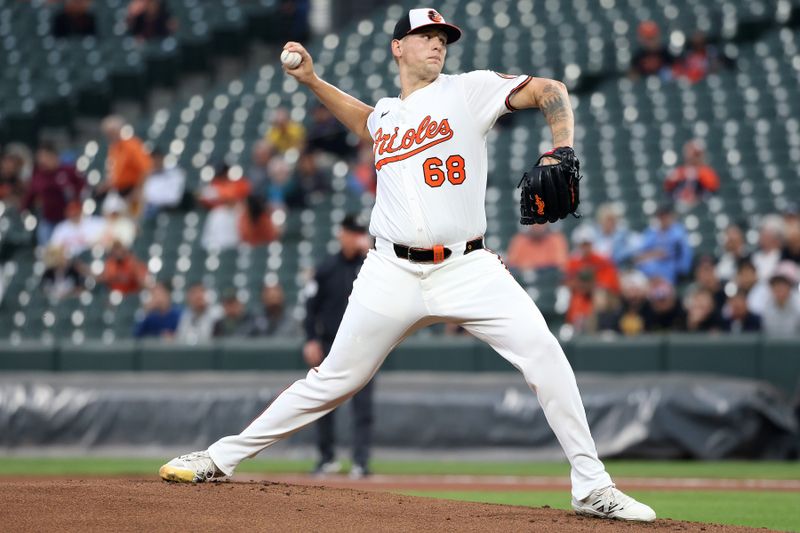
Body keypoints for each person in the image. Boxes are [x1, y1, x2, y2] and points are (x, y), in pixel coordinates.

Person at [159, 9, 655, 522]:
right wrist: (311, 81)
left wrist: (562, 145)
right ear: (398, 47)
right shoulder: (387, 117)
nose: (437, 45)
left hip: (467, 265)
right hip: (389, 270)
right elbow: (365, 120)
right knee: (332, 379)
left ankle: (592, 485)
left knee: (545, 354)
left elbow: (550, 89)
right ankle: (220, 457)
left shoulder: (469, 90)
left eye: (442, 38)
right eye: (425, 36)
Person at [303, 215, 373, 478]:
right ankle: (326, 458)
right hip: (330, 342)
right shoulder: (326, 268)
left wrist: (371, 254)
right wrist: (311, 339)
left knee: (363, 407)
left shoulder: (371, 265)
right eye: (351, 232)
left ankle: (361, 462)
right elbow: (310, 308)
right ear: (341, 234)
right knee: (323, 402)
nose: (356, 237)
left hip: (364, 344)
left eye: (359, 232)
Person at [21, 142, 85, 246]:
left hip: (68, 221)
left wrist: (77, 204)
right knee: (47, 252)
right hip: (48, 221)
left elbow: (83, 187)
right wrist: (23, 209)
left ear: (54, 156)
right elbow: (30, 196)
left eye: (45, 157)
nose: (42, 161)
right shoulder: (38, 176)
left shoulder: (68, 171)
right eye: (40, 158)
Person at [98, 116, 152, 211]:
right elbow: (117, 172)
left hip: (134, 191)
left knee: (134, 222)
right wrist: (108, 185)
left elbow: (146, 169)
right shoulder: (113, 148)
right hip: (120, 193)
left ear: (119, 130)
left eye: (112, 131)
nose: (110, 135)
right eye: (107, 133)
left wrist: (138, 190)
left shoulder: (132, 145)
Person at [634, 201, 693, 285]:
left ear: (671, 216)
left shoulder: (678, 232)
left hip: (672, 272)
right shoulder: (651, 232)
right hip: (651, 273)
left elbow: (678, 255)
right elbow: (639, 256)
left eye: (665, 216)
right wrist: (655, 254)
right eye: (660, 216)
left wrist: (655, 254)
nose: (663, 219)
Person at [198, 163, 252, 251]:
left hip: (238, 250)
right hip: (219, 249)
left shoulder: (243, 214)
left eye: (233, 198)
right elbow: (207, 240)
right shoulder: (216, 214)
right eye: (228, 198)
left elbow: (248, 237)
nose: (231, 200)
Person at [664, 140, 720, 207]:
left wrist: (697, 174)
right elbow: (668, 187)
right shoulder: (679, 171)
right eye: (691, 153)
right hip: (679, 206)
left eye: (696, 154)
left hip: (699, 206)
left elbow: (712, 188)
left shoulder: (707, 172)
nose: (692, 157)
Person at [142, 148, 186, 218]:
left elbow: (174, 199)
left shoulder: (175, 174)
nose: (156, 163)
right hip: (146, 207)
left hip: (165, 210)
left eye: (158, 160)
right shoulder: (146, 174)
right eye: (154, 160)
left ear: (162, 159)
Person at [761, 262, 800, 337]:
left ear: (790, 287)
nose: (779, 288)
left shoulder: (798, 305)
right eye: (776, 285)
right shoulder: (766, 306)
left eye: (783, 285)